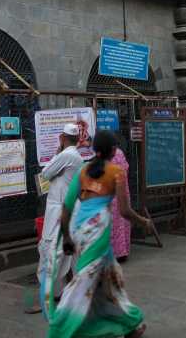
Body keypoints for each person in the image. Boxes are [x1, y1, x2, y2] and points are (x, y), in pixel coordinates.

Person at [46, 130, 152, 338]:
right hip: (99, 233)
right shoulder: (116, 172)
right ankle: (60, 326)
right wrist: (143, 221)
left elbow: (67, 207)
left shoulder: (83, 172)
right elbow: (124, 210)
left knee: (111, 282)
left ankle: (130, 325)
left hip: (81, 230)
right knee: (83, 282)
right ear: (114, 150)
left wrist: (67, 236)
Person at [32, 123, 84, 316]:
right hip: (66, 209)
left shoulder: (67, 155)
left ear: (62, 138)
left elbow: (45, 174)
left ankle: (47, 300)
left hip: (60, 211)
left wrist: (56, 155)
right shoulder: (76, 156)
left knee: (51, 253)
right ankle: (66, 294)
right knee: (67, 255)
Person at [110, 138, 131, 261]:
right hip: (123, 191)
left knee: (114, 223)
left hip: (112, 193)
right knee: (122, 221)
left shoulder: (108, 155)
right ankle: (123, 251)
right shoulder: (120, 153)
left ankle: (115, 252)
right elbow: (126, 168)